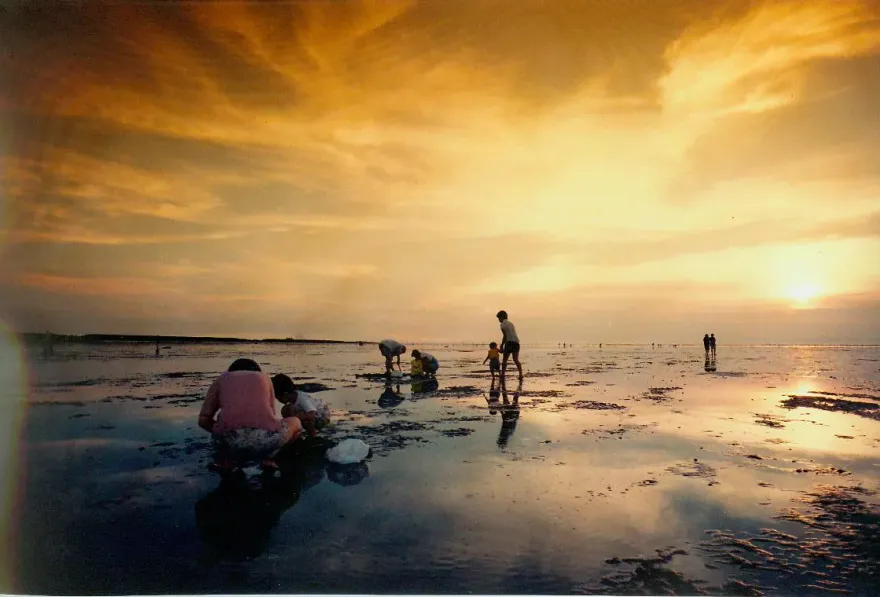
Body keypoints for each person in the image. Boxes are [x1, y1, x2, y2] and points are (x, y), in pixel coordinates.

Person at [198, 358, 303, 475]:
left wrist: (220, 430)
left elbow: (203, 420)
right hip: (265, 441)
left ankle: (227, 462)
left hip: (230, 443)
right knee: (296, 422)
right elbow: (271, 416)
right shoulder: (264, 378)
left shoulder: (221, 379)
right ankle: (269, 458)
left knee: (220, 422)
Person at [496, 310, 523, 380]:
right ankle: (520, 375)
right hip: (516, 343)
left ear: (502, 317)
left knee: (504, 361)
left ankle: (502, 375)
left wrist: (502, 345)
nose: (499, 320)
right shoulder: (511, 323)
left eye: (499, 318)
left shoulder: (502, 324)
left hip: (509, 342)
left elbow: (505, 335)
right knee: (516, 360)